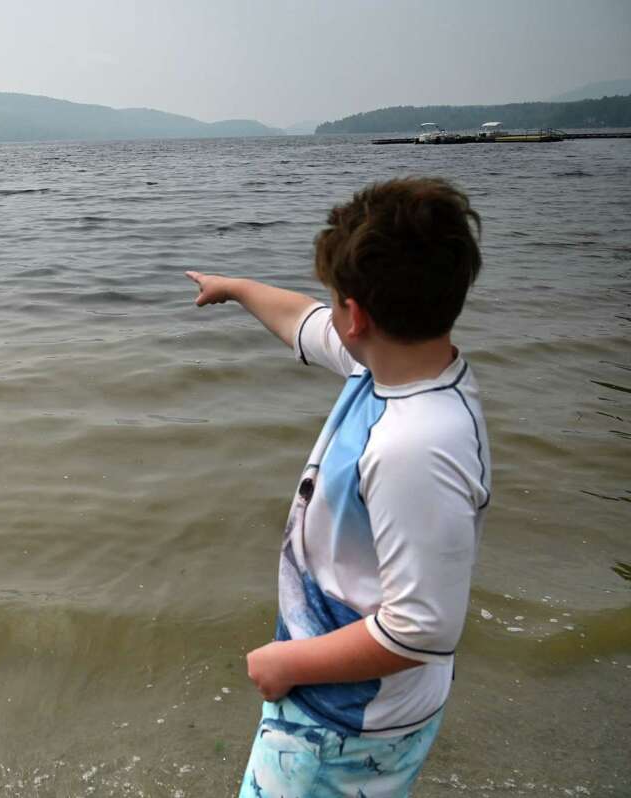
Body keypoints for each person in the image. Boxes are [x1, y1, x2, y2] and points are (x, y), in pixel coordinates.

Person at [186, 177, 491, 797]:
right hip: (353, 702)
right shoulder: (393, 364)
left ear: (356, 316)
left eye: (336, 300)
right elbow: (302, 320)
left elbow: (421, 627)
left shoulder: (415, 445)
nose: (327, 312)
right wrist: (239, 289)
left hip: (344, 724)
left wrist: (285, 662)